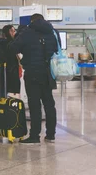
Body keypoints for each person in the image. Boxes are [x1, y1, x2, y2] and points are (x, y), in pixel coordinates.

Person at [11, 14, 60, 144]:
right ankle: (51, 135)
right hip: (48, 72)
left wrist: (18, 35)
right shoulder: (52, 32)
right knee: (49, 103)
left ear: (31, 21)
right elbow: (57, 49)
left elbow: (14, 48)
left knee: (34, 104)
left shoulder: (27, 32)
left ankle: (35, 135)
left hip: (32, 72)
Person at [0, 25, 21, 96]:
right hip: (11, 72)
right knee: (11, 94)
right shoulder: (10, 44)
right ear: (9, 32)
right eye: (13, 31)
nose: (14, 33)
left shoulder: (0, 43)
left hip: (3, 73)